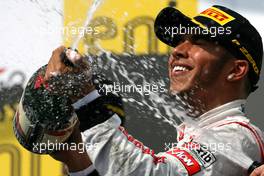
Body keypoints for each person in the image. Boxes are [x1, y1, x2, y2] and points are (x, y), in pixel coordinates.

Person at [46, 5, 264, 176]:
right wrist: (78, 162)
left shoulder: (237, 136)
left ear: (237, 70)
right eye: (179, 40)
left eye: (197, 41)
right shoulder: (205, 135)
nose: (177, 50)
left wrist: (85, 99)